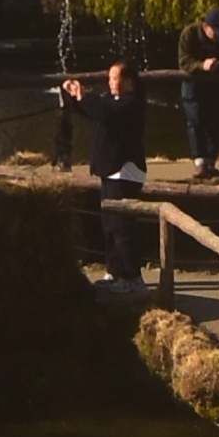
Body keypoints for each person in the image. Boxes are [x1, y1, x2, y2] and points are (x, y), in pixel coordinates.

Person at [62, 49, 154, 291]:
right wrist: (74, 97)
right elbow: (95, 110)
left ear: (128, 81)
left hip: (124, 171)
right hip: (109, 170)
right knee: (109, 226)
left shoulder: (132, 104)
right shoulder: (113, 101)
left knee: (123, 228)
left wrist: (84, 95)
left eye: (115, 78)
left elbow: (104, 111)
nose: (111, 82)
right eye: (110, 78)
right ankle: (114, 272)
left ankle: (132, 277)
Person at [179, 10, 219, 181]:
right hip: (193, 84)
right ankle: (199, 161)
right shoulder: (189, 34)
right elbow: (184, 61)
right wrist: (201, 65)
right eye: (216, 32)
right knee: (195, 120)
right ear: (206, 27)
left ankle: (211, 162)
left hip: (217, 86)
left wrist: (218, 65)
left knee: (216, 122)